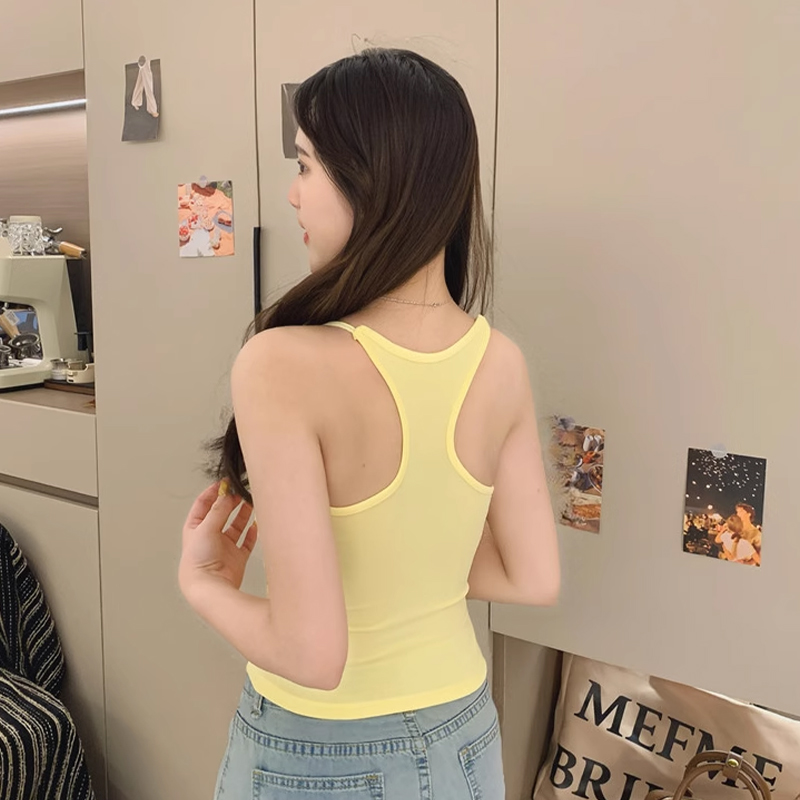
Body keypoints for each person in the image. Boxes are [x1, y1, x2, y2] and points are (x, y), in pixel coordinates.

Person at [178, 48, 560, 799]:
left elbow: (313, 656)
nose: (293, 195)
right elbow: (533, 576)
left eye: (305, 165)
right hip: (464, 735)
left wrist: (203, 581)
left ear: (371, 177)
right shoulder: (500, 361)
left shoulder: (281, 363)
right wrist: (409, 564)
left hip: (324, 751)